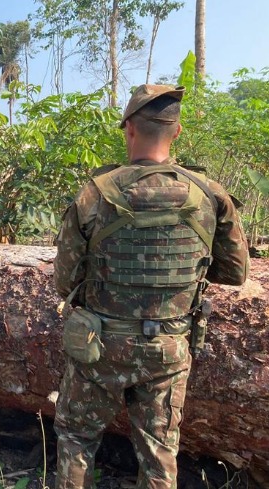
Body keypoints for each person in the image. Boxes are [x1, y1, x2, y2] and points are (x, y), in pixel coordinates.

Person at [52, 84, 250, 488]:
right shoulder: (210, 195)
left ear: (128, 129)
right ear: (176, 132)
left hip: (99, 348)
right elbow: (235, 273)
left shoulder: (95, 193)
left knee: (76, 438)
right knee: (160, 454)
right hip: (169, 348)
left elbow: (65, 280)